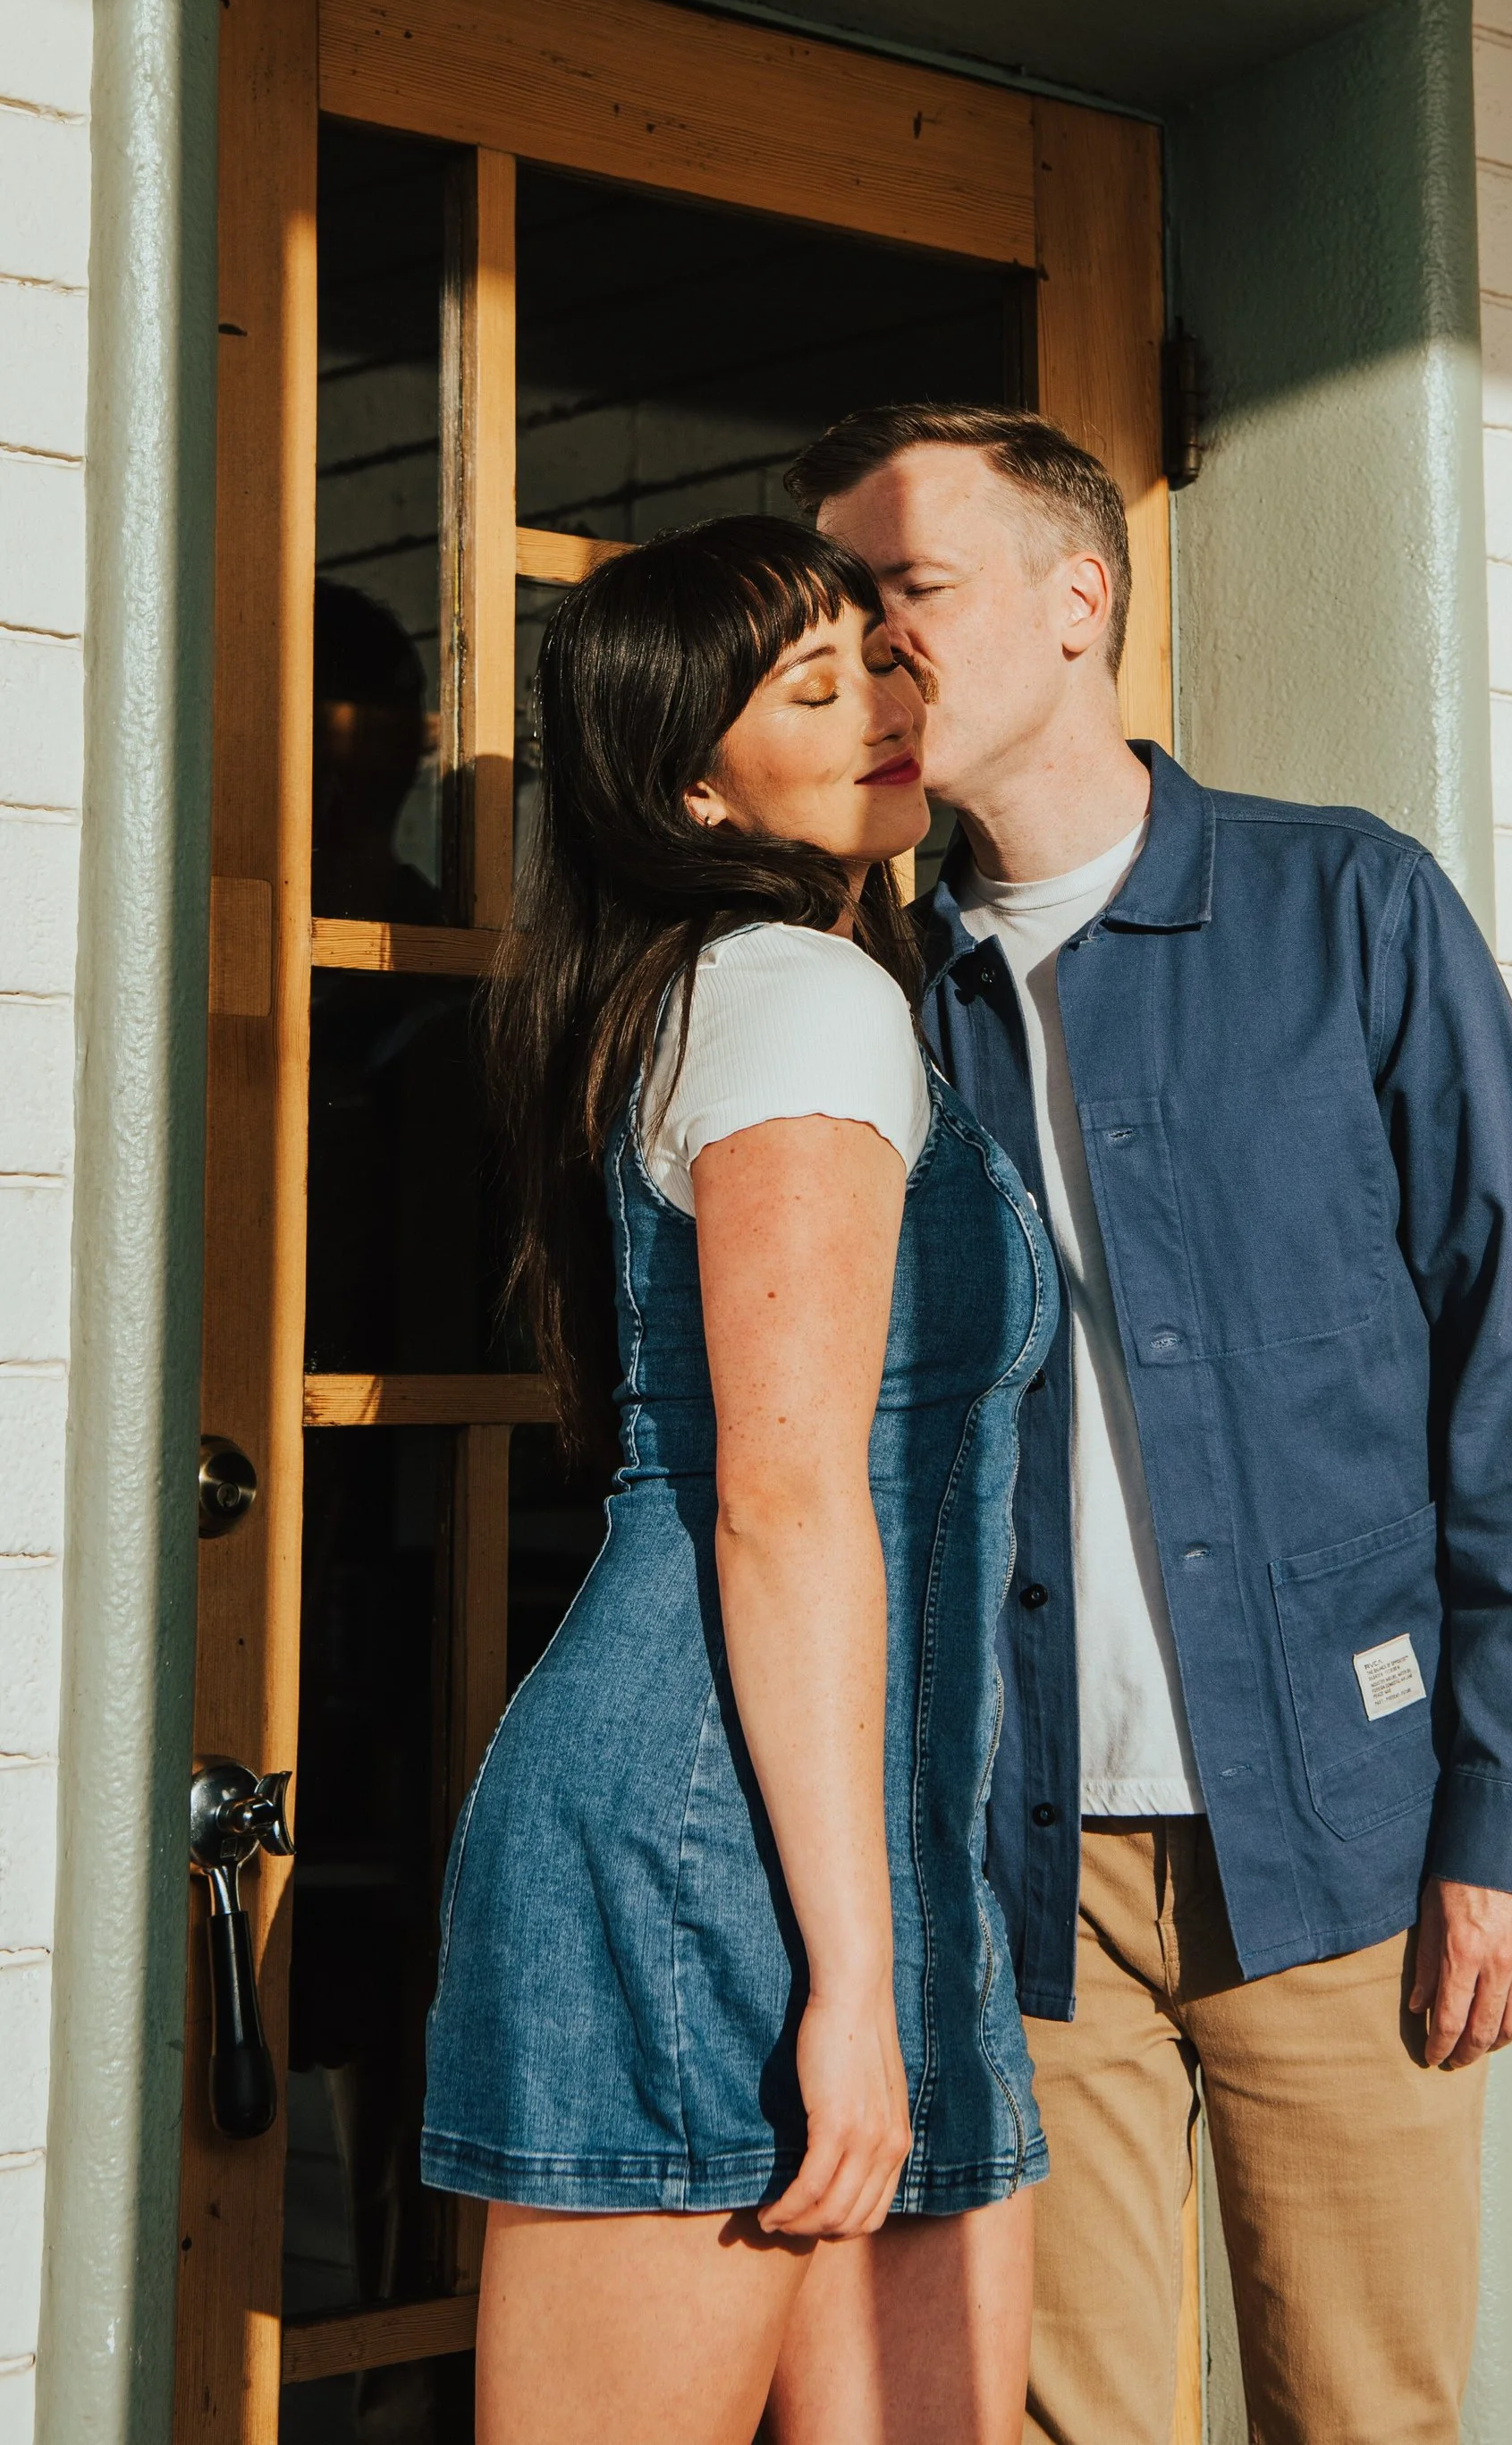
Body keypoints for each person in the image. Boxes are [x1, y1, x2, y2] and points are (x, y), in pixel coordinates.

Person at [791, 406, 1512, 2445]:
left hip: (1339, 1843)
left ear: (1079, 600)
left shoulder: (1351, 912)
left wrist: (1511, 1825)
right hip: (1020, 1870)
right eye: (839, 612)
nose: (867, 651)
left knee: (1362, 2413)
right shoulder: (869, 999)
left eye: (908, 592)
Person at [419, 517, 1057, 2445]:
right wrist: (852, 1981)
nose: (880, 701)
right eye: (811, 686)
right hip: (724, 1853)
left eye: (876, 658)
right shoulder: (793, 993)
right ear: (693, 783)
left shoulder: (777, 987)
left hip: (827, 1835)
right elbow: (781, 1500)